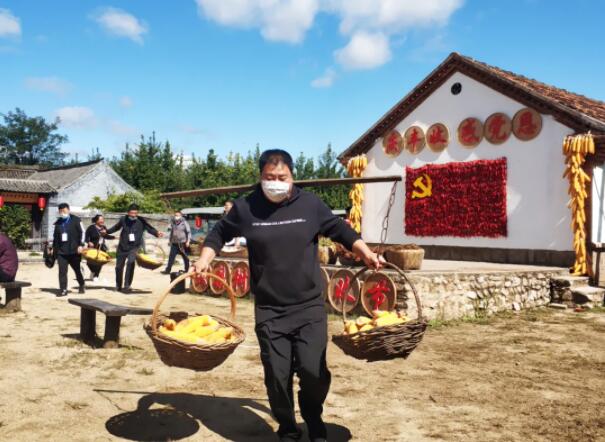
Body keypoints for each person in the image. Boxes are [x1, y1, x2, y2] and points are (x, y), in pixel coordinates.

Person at [194, 149, 380, 442]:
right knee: (277, 377)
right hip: (270, 309)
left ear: (292, 176)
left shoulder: (310, 204)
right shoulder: (246, 207)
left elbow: (341, 231)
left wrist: (366, 252)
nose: (276, 182)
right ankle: (288, 427)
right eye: (270, 177)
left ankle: (313, 417)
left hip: (309, 307)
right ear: (260, 177)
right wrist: (204, 259)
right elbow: (218, 234)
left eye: (282, 177)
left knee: (314, 372)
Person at [105, 203, 164, 293]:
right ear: (128, 213)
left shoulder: (141, 220)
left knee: (131, 263)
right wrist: (107, 232)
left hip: (134, 247)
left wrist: (157, 233)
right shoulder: (123, 219)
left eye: (135, 213)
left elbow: (150, 228)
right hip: (122, 246)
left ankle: (127, 285)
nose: (134, 215)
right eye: (132, 213)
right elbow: (116, 227)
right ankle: (118, 285)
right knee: (118, 267)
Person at [51, 203, 86, 297]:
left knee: (77, 270)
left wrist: (81, 245)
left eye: (64, 210)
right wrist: (53, 248)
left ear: (68, 210)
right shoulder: (58, 223)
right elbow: (55, 237)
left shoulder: (76, 220)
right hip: (61, 252)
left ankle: (82, 284)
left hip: (74, 251)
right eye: (60, 211)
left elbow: (83, 232)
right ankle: (63, 289)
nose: (62, 212)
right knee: (62, 271)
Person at [85, 214, 115, 283]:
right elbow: (86, 237)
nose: (102, 221)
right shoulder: (91, 228)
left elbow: (106, 236)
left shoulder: (104, 227)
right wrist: (89, 242)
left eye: (103, 219)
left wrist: (114, 237)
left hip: (101, 247)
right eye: (100, 219)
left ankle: (96, 276)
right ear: (96, 220)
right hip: (92, 248)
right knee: (89, 262)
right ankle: (93, 272)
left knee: (100, 262)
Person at [161, 209, 191, 274]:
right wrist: (170, 241)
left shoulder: (184, 223)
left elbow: (188, 233)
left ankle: (186, 270)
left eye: (178, 215)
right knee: (171, 257)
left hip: (182, 243)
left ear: (181, 216)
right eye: (175, 215)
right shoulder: (173, 223)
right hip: (174, 243)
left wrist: (188, 241)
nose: (176, 217)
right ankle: (167, 270)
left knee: (185, 257)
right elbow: (172, 233)